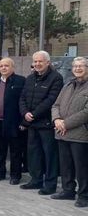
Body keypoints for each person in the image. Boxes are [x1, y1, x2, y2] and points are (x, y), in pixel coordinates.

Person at [19, 50, 64, 195]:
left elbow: (51, 100)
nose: (37, 64)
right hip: (31, 124)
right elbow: (22, 98)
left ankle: (50, 184)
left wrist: (34, 114)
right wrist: (25, 113)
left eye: (40, 61)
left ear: (48, 63)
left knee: (49, 155)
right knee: (34, 154)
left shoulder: (56, 78)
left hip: (46, 124)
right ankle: (35, 180)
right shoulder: (30, 78)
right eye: (35, 61)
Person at [51, 56, 88, 208]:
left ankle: (84, 195)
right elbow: (56, 105)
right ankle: (68, 190)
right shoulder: (68, 85)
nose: (78, 69)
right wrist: (57, 120)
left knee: (82, 167)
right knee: (65, 165)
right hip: (62, 133)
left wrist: (66, 123)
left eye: (81, 66)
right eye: (75, 66)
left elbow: (86, 112)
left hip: (80, 134)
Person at [0, 57, 26, 184]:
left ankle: (15, 175)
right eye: (1, 66)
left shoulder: (20, 81)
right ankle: (0, 172)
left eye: (6, 66)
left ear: (12, 67)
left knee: (15, 151)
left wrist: (23, 122)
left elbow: (24, 102)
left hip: (14, 123)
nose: (3, 68)